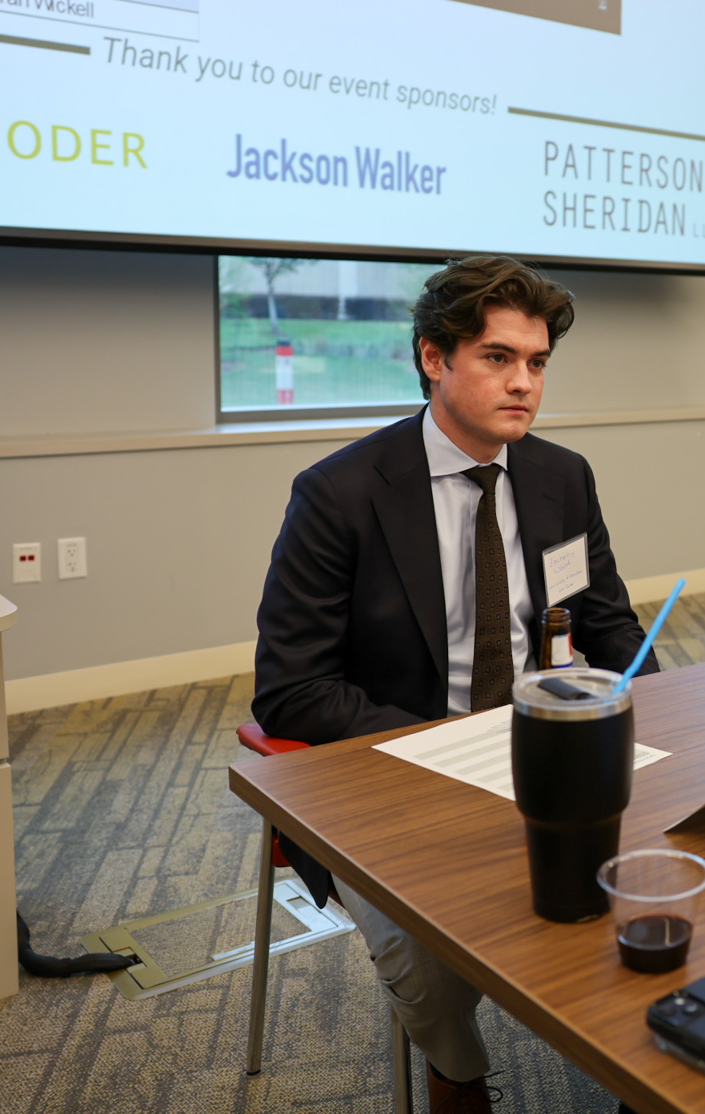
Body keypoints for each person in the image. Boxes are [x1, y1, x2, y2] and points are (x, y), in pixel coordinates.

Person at [252, 255, 658, 1114]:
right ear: (434, 358)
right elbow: (292, 690)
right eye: (497, 358)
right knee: (431, 947)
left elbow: (608, 623)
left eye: (537, 362)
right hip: (395, 769)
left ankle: (648, 1072)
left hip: (547, 749)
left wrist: (649, 702)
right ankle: (458, 1073)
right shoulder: (339, 494)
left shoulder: (561, 477)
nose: (524, 383)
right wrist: (451, 748)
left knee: (659, 870)